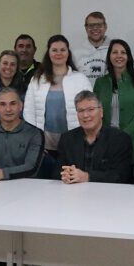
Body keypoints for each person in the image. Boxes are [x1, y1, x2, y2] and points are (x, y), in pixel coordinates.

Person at [24, 34, 92, 178]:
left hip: (73, 143)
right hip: (44, 144)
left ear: (68, 53)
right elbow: (28, 112)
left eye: (63, 50)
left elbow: (90, 112)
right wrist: (36, 143)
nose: (59, 53)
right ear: (48, 53)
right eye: (54, 50)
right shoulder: (37, 79)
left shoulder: (80, 79)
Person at [56, 91, 133, 184]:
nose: (85, 115)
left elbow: (121, 175)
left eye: (91, 109)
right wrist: (66, 174)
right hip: (74, 193)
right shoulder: (67, 139)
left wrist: (87, 177)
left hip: (108, 195)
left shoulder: (120, 139)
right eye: (80, 111)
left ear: (101, 112)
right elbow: (57, 172)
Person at [93, 39, 134, 158]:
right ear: (109, 56)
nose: (119, 56)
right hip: (105, 139)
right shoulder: (100, 82)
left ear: (128, 57)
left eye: (123, 52)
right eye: (115, 52)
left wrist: (123, 134)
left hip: (132, 139)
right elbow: (95, 111)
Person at [72, 11, 111, 84]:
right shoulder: (75, 52)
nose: (95, 28)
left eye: (99, 25)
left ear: (105, 27)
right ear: (86, 28)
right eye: (91, 25)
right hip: (83, 94)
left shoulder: (114, 50)